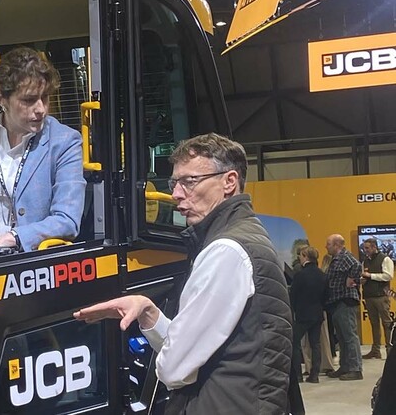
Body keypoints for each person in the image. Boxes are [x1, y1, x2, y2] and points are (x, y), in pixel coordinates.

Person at [73, 133, 293, 414]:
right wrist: (148, 313)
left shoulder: (227, 251)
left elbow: (174, 368)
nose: (176, 193)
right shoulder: (244, 238)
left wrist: (170, 357)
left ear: (229, 182)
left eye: (189, 181)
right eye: (174, 183)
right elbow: (197, 348)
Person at [0, 47, 86, 251]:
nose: (41, 108)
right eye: (29, 100)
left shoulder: (65, 142)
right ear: (2, 99)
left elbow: (67, 219)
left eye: (45, 97)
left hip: (19, 261)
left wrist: (14, 237)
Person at [324, 233, 363, 380]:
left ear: (336, 245)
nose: (326, 246)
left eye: (328, 244)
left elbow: (357, 265)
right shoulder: (336, 259)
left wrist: (351, 279)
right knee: (342, 337)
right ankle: (345, 366)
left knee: (349, 336)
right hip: (337, 302)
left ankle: (355, 369)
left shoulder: (345, 256)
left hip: (345, 301)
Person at [291, 246, 326, 383]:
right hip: (317, 313)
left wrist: (293, 309)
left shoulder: (300, 275)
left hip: (302, 314)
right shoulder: (322, 274)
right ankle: (314, 375)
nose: (299, 257)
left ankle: (298, 375)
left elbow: (293, 295)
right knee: (315, 344)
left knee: (295, 343)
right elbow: (325, 296)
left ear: (305, 256)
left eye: (300, 255)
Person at [361, 237, 394, 359]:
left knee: (386, 323)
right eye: (364, 248)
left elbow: (388, 276)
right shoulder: (365, 261)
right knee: (374, 323)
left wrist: (370, 276)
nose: (365, 250)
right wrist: (362, 280)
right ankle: (375, 350)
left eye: (367, 248)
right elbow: (365, 276)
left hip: (381, 296)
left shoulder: (385, 259)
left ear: (375, 247)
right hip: (369, 296)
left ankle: (390, 349)